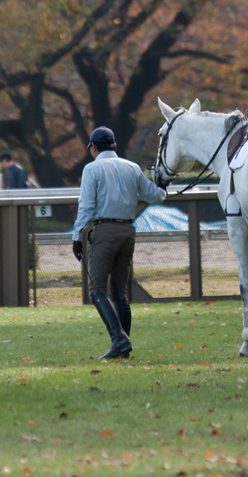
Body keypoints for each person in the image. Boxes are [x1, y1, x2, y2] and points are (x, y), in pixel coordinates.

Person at [72, 126, 166, 361]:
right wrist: (164, 186)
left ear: (93, 147)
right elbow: (155, 195)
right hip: (128, 231)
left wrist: (76, 235)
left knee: (96, 290)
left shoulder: (92, 169)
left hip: (104, 231)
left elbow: (86, 206)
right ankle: (124, 346)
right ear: (114, 145)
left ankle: (119, 339)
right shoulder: (132, 167)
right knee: (120, 292)